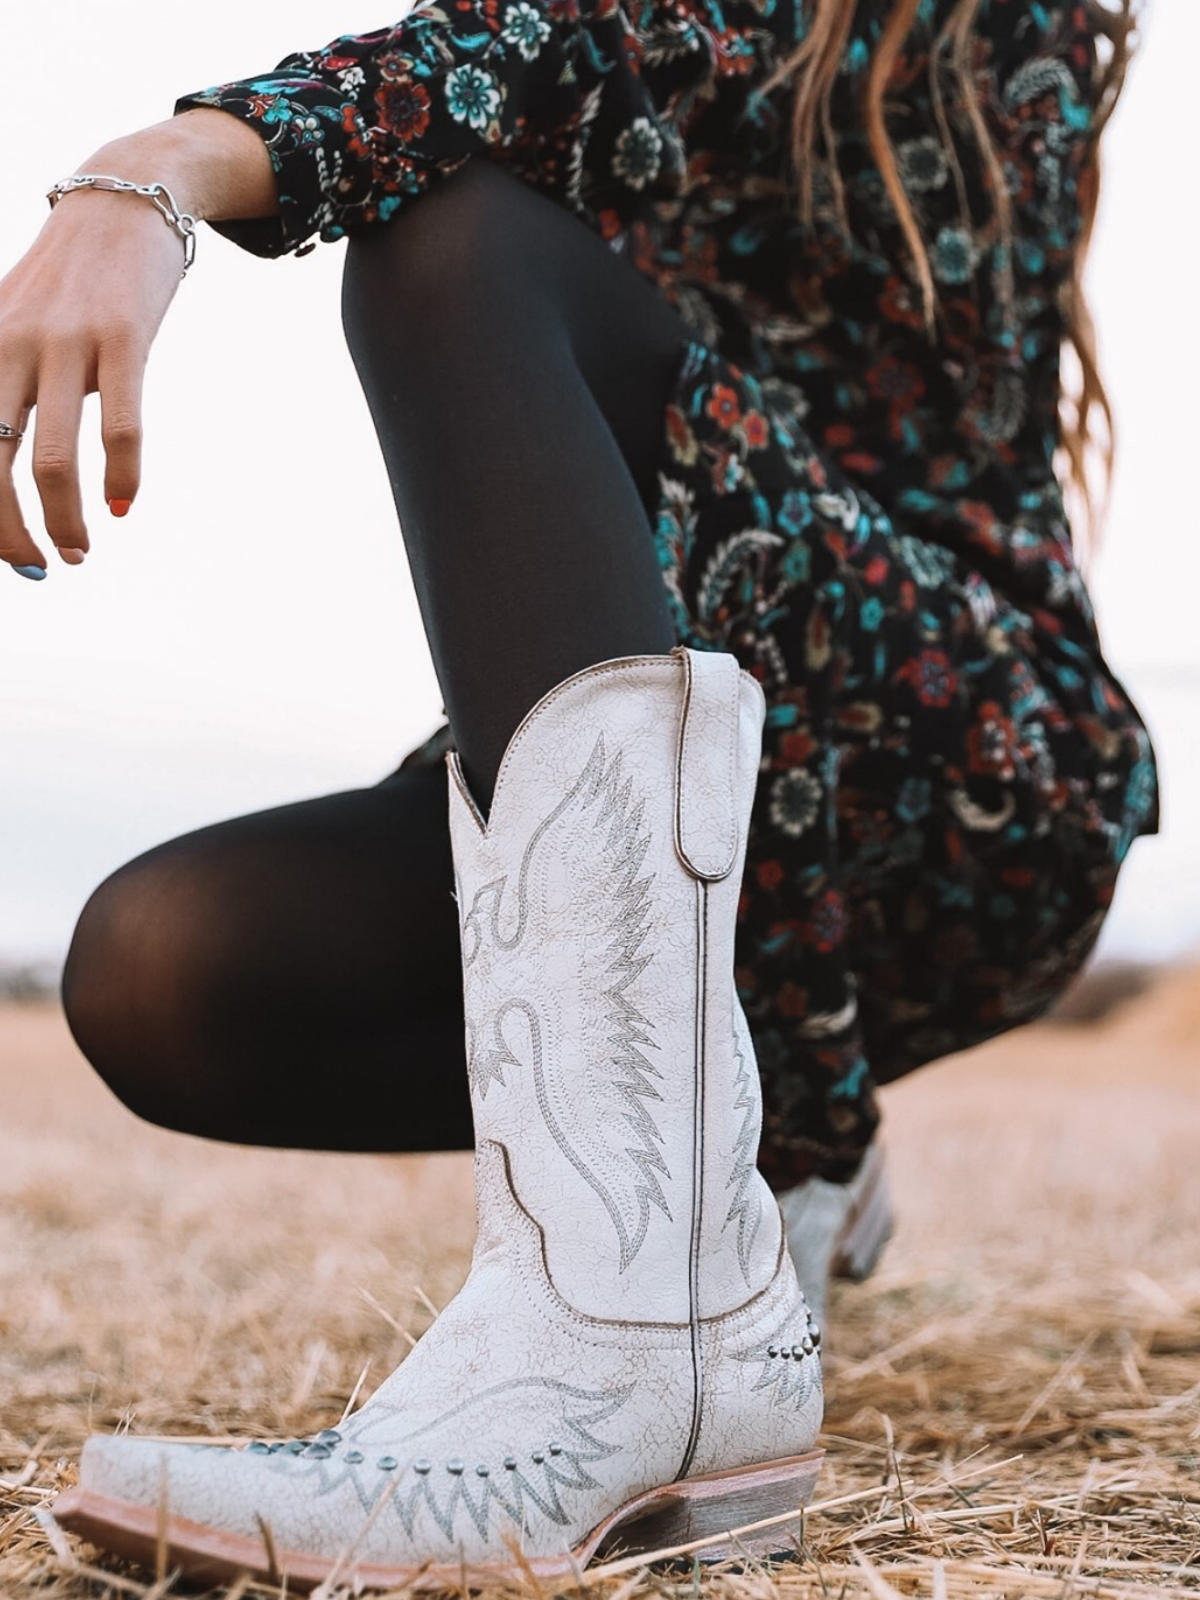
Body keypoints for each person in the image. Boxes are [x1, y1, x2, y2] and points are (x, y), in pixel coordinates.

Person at [1, 0, 1159, 1583]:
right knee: (166, 967)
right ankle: (745, 1157)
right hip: (697, 725)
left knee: (454, 237)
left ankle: (632, 1341)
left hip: (962, 758)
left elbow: (572, 48)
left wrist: (144, 175)